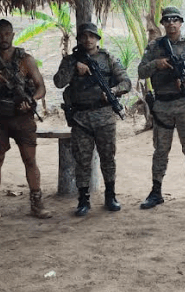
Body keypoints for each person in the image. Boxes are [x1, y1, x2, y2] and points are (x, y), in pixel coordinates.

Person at [0, 18, 52, 224]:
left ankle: (37, 203)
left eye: (7, 34)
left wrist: (31, 100)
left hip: (22, 117)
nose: (3, 38)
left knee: (30, 160)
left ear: (13, 35)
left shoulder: (26, 60)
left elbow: (41, 87)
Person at [137, 6, 185, 209]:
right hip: (162, 104)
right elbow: (141, 71)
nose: (171, 23)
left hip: (184, 103)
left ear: (181, 22)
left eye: (175, 20)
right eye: (167, 20)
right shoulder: (154, 47)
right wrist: (156, 64)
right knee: (160, 150)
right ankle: (156, 191)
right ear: (162, 24)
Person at [53, 22, 131, 217]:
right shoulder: (70, 60)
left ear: (97, 38)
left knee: (108, 158)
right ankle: (83, 199)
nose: (88, 40)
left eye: (92, 36)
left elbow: (126, 82)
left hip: (104, 117)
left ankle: (110, 195)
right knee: (82, 161)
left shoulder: (108, 58)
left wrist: (112, 91)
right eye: (84, 36)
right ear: (79, 39)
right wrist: (73, 66)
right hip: (80, 119)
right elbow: (58, 82)